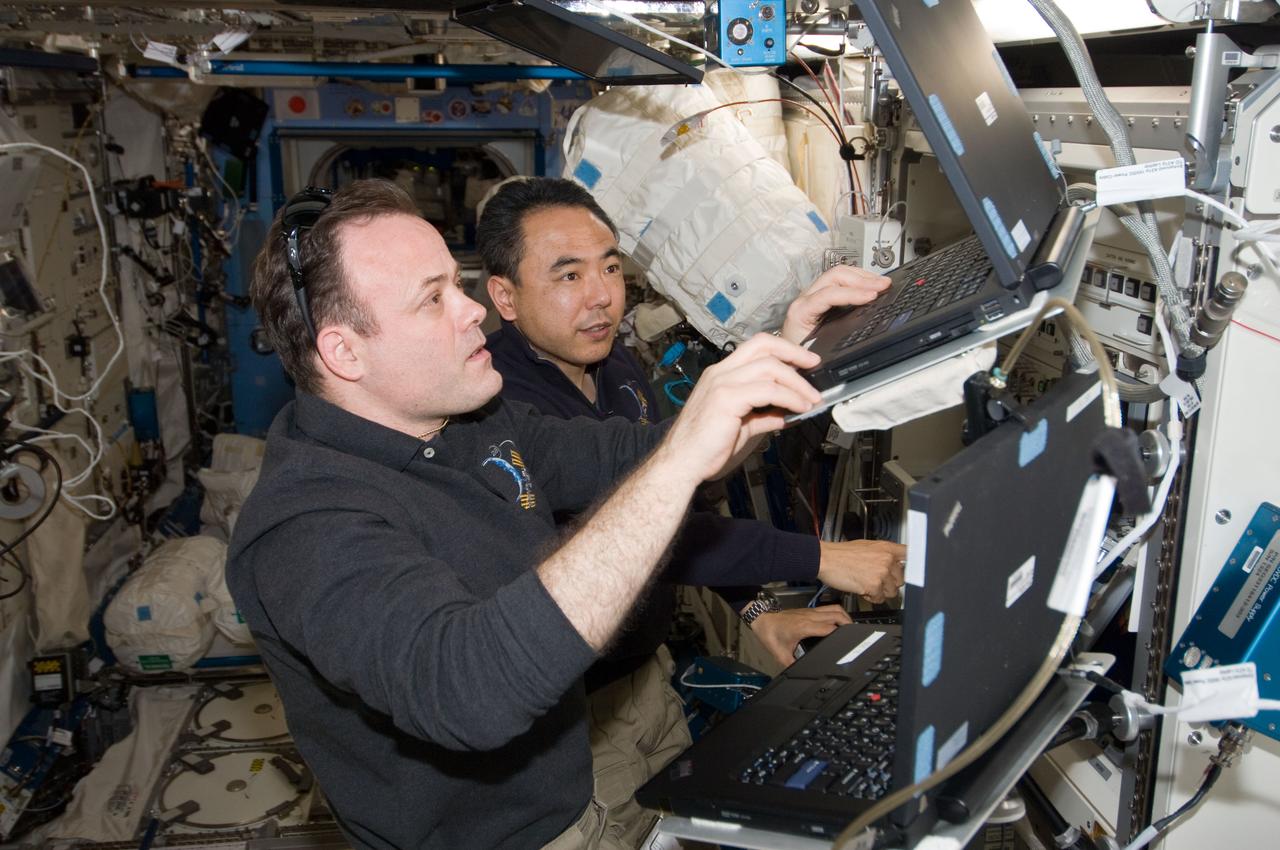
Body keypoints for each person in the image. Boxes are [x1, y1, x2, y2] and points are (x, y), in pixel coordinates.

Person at [227, 178, 876, 850]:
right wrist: (678, 464)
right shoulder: (306, 526)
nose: (474, 310)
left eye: (459, 282)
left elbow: (634, 453)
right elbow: (471, 687)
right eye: (432, 299)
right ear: (344, 352)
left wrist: (790, 354)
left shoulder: (467, 420)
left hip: (574, 793)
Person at [477, 176, 906, 845]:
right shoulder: (500, 412)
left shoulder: (613, 365)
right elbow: (638, 529)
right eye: (567, 275)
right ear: (504, 295)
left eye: (611, 267)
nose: (602, 297)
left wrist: (759, 611)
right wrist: (821, 557)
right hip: (565, 721)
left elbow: (679, 502)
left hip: (645, 677)